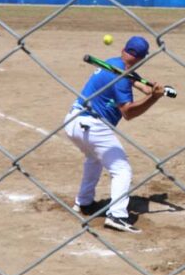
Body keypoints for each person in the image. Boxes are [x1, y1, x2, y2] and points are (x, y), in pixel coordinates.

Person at [64, 36, 164, 234]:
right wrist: (153, 98)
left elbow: (135, 80)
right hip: (93, 126)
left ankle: (83, 202)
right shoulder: (120, 78)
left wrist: (150, 88)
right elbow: (128, 112)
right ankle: (117, 215)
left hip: (74, 121)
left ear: (124, 50)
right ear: (142, 58)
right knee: (122, 169)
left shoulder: (114, 63)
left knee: (93, 158)